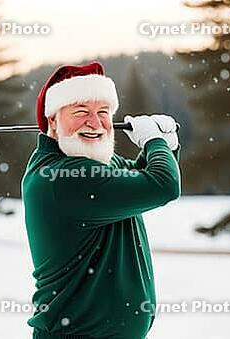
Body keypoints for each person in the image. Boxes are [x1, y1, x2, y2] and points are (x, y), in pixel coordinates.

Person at [22, 61, 181, 339]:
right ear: (53, 121)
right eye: (81, 112)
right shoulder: (63, 177)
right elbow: (163, 185)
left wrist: (168, 145)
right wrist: (154, 141)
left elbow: (143, 177)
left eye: (103, 112)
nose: (95, 123)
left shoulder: (90, 164)